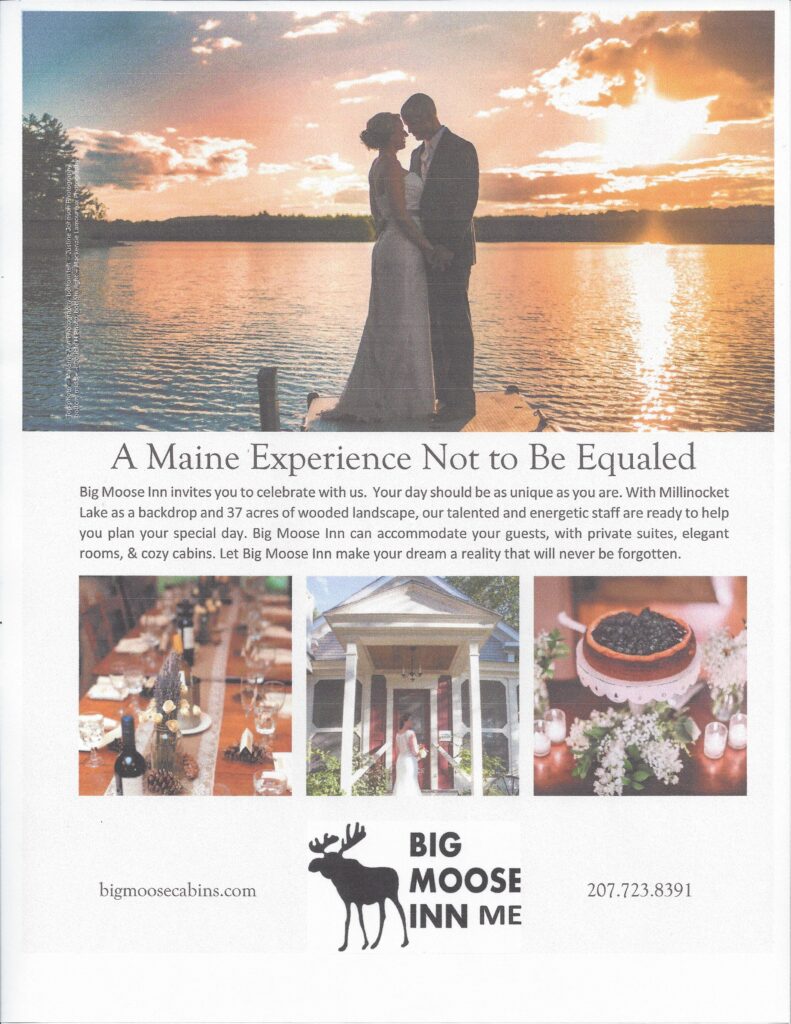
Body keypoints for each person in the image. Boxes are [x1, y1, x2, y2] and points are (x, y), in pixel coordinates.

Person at [327, 112, 436, 423]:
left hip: (390, 245)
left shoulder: (377, 166)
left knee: (391, 321)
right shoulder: (388, 165)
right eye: (400, 131)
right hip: (403, 248)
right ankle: (403, 403)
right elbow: (401, 216)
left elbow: (378, 215)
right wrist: (428, 247)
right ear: (389, 135)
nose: (404, 135)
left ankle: (390, 396)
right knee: (403, 322)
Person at [401, 93, 479, 420]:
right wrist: (425, 248)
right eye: (406, 125)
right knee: (434, 327)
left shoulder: (462, 148)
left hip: (454, 253)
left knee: (456, 326)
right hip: (426, 253)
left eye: (413, 123)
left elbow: (466, 200)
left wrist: (446, 247)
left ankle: (463, 401)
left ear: (429, 115)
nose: (411, 131)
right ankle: (443, 397)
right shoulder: (416, 154)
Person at [393, 713, 422, 797]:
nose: (412, 722)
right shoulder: (410, 733)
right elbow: (414, 750)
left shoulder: (398, 734)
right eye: (410, 720)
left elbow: (396, 750)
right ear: (405, 721)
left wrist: (397, 761)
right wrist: (420, 753)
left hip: (400, 760)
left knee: (401, 781)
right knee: (411, 780)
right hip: (409, 761)